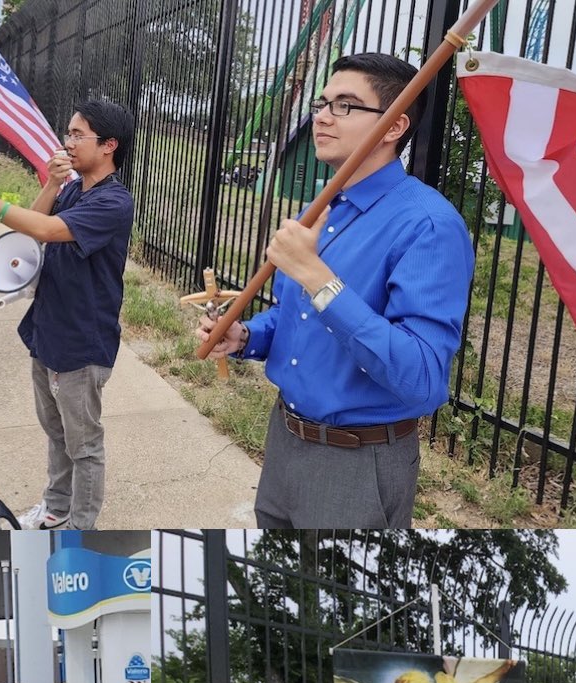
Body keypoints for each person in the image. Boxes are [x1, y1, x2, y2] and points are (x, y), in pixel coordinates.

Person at [196, 53, 475, 529]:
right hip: (284, 437)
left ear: (393, 126)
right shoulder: (325, 207)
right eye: (322, 102)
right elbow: (292, 314)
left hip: (358, 460)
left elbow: (423, 376)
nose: (321, 116)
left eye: (345, 105)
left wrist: (318, 277)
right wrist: (246, 337)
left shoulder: (428, 225)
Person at [0, 101, 135, 530]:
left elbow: (46, 231)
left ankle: (81, 527)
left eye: (77, 134)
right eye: (68, 132)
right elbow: (36, 217)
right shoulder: (73, 187)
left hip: (82, 342)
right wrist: (51, 182)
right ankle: (54, 506)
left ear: (109, 146)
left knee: (83, 444)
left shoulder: (114, 203)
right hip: (48, 328)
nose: (67, 142)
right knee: (55, 431)